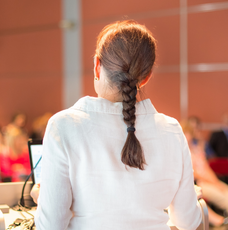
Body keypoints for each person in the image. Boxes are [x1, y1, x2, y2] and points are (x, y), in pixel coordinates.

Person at [32, 20, 201, 230]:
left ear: (96, 65)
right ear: (146, 77)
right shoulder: (172, 130)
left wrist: (43, 198)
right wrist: (192, 197)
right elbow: (189, 223)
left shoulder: (63, 126)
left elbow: (50, 226)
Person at [182, 118, 228, 227]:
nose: (188, 136)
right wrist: (214, 183)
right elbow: (196, 174)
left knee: (225, 189)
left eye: (190, 133)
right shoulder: (184, 152)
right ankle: (220, 221)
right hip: (199, 183)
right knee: (224, 197)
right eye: (186, 133)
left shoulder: (196, 149)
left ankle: (221, 220)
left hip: (207, 180)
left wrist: (216, 182)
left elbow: (206, 168)